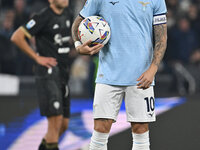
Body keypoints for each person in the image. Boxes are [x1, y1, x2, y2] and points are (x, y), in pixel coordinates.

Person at [72, 0, 167, 149]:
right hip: (108, 75)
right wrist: (78, 46)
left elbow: (161, 37)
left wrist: (153, 69)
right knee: (100, 129)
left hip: (141, 76)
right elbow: (78, 22)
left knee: (141, 130)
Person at [11, 0, 74, 150]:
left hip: (63, 75)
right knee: (56, 121)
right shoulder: (42, 17)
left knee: (63, 125)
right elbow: (17, 37)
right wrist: (37, 57)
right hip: (48, 74)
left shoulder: (68, 14)